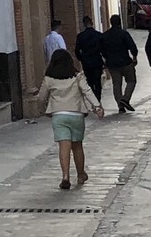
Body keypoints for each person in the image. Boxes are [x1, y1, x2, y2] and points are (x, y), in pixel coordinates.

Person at [35, 48, 104, 189]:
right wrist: (97, 106)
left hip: (58, 116)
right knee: (77, 146)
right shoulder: (77, 76)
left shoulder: (49, 79)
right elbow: (87, 91)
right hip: (76, 115)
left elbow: (41, 97)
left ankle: (65, 176)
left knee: (63, 146)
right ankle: (80, 174)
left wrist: (42, 110)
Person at [101, 14, 140, 114]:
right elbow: (132, 46)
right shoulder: (124, 34)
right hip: (125, 62)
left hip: (112, 64)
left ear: (110, 23)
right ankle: (125, 99)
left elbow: (102, 50)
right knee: (131, 81)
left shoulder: (105, 35)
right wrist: (134, 57)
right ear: (120, 22)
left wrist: (106, 60)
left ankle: (120, 105)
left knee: (116, 84)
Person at [73, 16, 105, 105]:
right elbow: (104, 49)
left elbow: (77, 50)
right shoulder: (99, 35)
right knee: (97, 82)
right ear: (92, 23)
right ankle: (97, 100)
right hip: (97, 61)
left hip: (86, 62)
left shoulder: (80, 36)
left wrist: (81, 58)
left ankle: (93, 100)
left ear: (84, 24)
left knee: (90, 82)